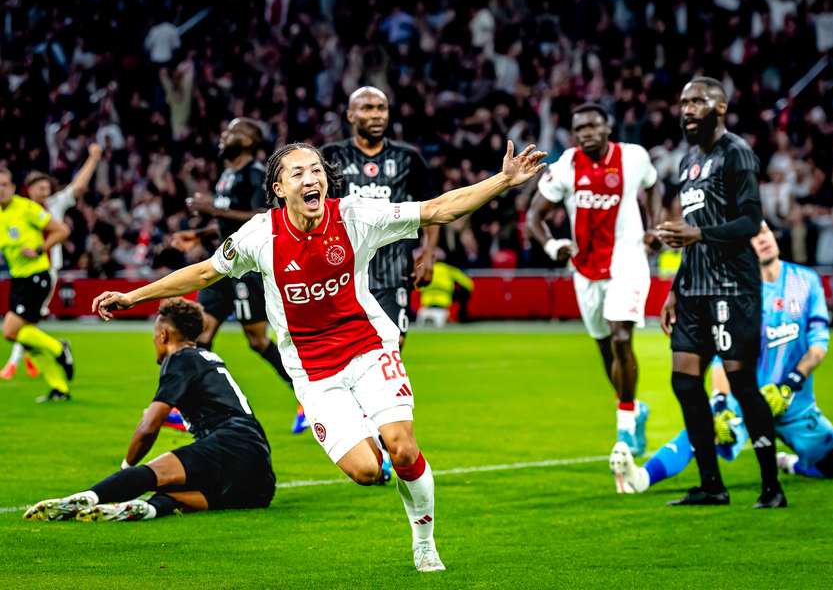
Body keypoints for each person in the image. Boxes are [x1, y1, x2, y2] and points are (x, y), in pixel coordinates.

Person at [92, 140, 546, 571]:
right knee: (367, 472)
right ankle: (368, 431)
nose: (311, 178)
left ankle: (424, 543)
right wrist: (134, 297)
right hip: (312, 373)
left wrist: (502, 181)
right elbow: (206, 271)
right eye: (298, 172)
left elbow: (436, 210)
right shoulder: (259, 235)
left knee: (404, 449)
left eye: (316, 170)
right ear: (279, 188)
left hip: (368, 348)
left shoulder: (353, 215)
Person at [611, 222, 833, 493]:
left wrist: (789, 386)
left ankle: (790, 463)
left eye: (763, 232)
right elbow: (721, 357)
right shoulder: (734, 291)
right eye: (752, 237)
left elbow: (818, 345)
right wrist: (720, 404)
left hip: (793, 404)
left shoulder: (806, 281)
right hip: (745, 400)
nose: (761, 239)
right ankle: (641, 478)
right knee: (707, 426)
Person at [24, 298, 276, 522]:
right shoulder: (207, 357)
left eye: (155, 334)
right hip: (259, 478)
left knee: (155, 475)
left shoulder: (180, 358)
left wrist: (126, 472)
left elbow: (149, 426)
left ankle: (85, 498)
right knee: (174, 495)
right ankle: (145, 509)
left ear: (164, 334)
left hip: (231, 442)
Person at [656, 77, 785, 508]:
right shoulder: (687, 161)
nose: (688, 108)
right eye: (683, 101)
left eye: (697, 101)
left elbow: (750, 223)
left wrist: (698, 234)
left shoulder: (737, 153)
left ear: (721, 107)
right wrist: (675, 289)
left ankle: (772, 486)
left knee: (741, 384)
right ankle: (712, 484)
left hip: (732, 285)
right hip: (693, 289)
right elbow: (693, 237)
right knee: (684, 381)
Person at [526, 103, 658, 456]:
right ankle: (631, 404)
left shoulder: (633, 157)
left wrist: (653, 228)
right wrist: (553, 245)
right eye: (579, 128)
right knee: (604, 345)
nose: (586, 133)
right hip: (584, 269)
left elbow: (653, 186)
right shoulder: (565, 166)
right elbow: (534, 216)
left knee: (620, 337)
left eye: (592, 126)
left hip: (627, 260)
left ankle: (626, 422)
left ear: (607, 127)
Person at [173, 118, 309, 434]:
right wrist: (200, 233)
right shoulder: (227, 176)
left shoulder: (257, 175)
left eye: (233, 131)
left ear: (249, 141)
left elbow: (265, 217)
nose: (224, 135)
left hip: (247, 270)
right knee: (200, 336)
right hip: (222, 265)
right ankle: (198, 405)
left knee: (258, 341)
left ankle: (307, 396)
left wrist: (212, 211)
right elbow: (229, 223)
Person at [321, 86, 439, 350]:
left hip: (393, 265)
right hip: (342, 267)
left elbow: (431, 209)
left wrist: (429, 252)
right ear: (351, 115)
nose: (376, 115)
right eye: (367, 108)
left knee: (392, 347)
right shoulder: (329, 157)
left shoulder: (408, 158)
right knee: (343, 350)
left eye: (381, 108)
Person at [2, 143, 102, 380]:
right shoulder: (15, 211)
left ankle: (20, 360)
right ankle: (50, 376)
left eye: (48, 188)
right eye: (40, 188)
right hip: (21, 273)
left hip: (45, 270)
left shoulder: (52, 205)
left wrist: (93, 159)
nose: (45, 192)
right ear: (30, 190)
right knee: (25, 324)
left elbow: (78, 186)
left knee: (19, 325)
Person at [0, 167, 74, 402]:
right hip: (18, 279)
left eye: (4, 185)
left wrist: (40, 248)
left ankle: (59, 348)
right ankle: (59, 388)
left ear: (12, 187)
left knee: (10, 331)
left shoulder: (27, 208)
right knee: (25, 339)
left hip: (36, 276)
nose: (0, 190)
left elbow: (62, 230)